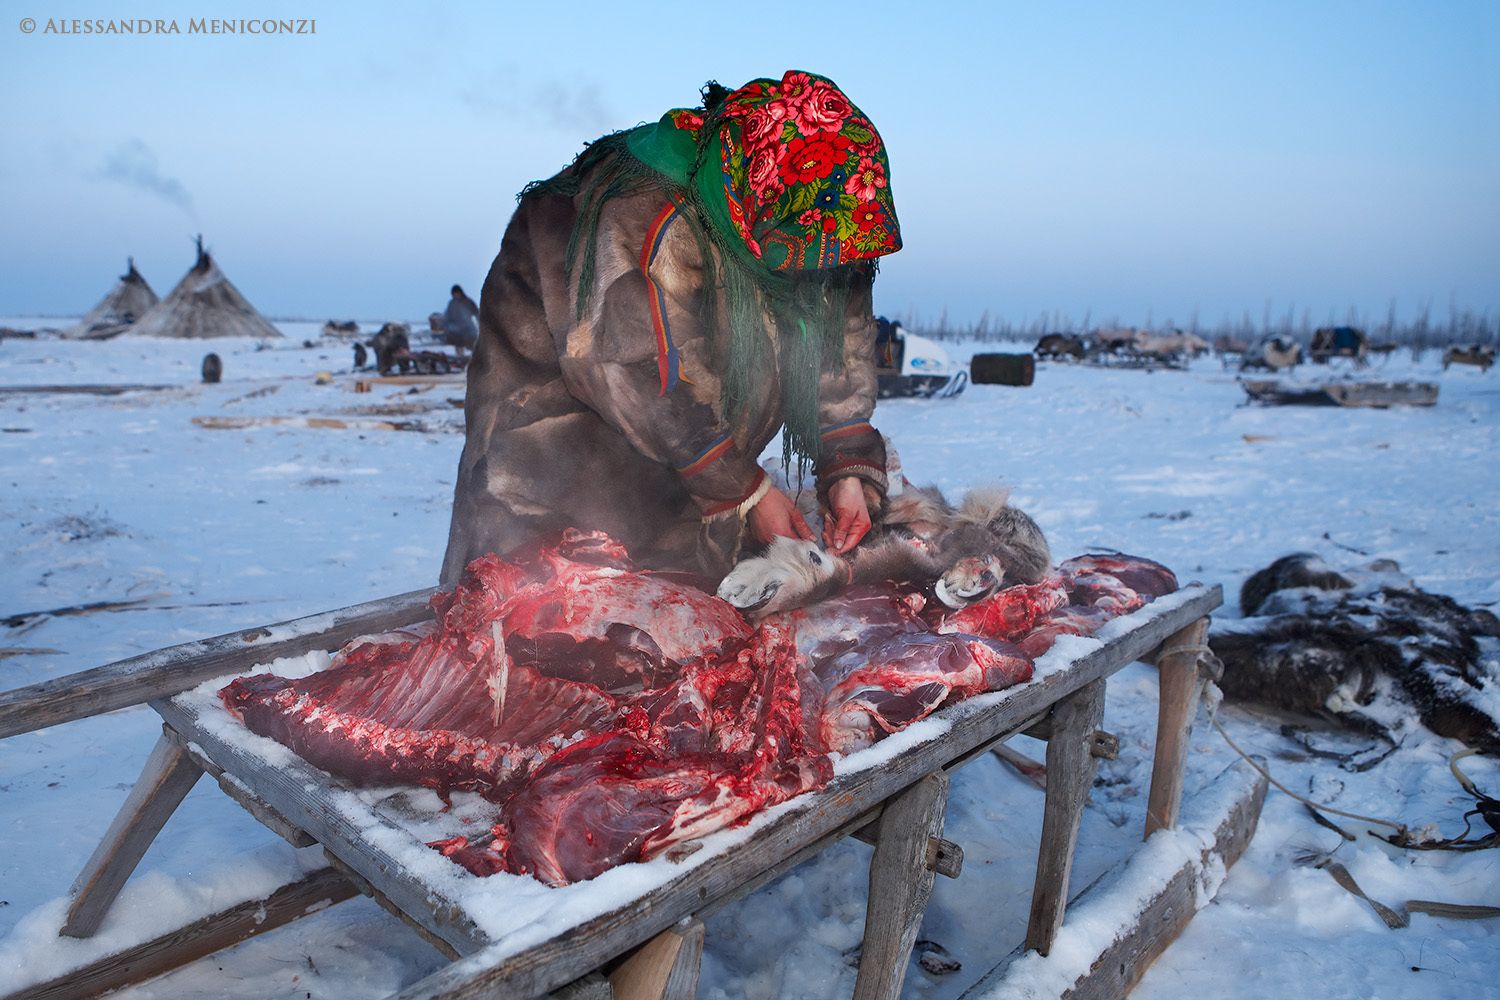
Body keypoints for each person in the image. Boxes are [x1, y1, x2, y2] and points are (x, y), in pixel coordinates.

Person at [441, 71, 903, 585]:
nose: (820, 272)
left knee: (673, 627)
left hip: (689, 463)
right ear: (760, 204)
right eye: (808, 257)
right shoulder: (646, 209)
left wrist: (846, 468)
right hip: (552, 451)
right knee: (537, 611)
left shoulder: (820, 222)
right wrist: (743, 489)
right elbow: (630, 366)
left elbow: (837, 332)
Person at [443, 285, 480, 357]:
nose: (456, 295)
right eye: (454, 294)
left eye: (457, 293)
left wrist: (480, 324)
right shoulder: (452, 303)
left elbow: (476, 313)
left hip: (468, 329)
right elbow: (447, 316)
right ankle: (459, 357)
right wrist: (445, 326)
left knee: (473, 345)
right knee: (458, 343)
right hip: (456, 330)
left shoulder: (468, 302)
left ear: (460, 293)